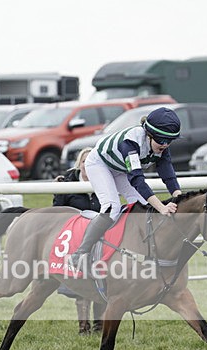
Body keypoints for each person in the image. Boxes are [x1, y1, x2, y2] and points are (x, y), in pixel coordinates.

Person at [68, 107, 183, 272]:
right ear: (149, 134)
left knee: (143, 206)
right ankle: (80, 253)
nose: (165, 145)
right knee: (111, 207)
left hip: (119, 168)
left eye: (169, 141)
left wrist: (179, 197)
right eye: (161, 140)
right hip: (99, 164)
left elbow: (168, 174)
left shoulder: (162, 146)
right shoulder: (131, 142)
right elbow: (137, 179)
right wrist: (162, 207)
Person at [53, 147, 106, 334]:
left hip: (100, 239)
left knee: (101, 277)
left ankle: (100, 324)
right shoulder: (68, 182)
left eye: (91, 161)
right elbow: (57, 209)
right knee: (81, 280)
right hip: (75, 238)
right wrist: (57, 190)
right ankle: (83, 327)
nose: (87, 165)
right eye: (84, 161)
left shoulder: (104, 181)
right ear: (79, 164)